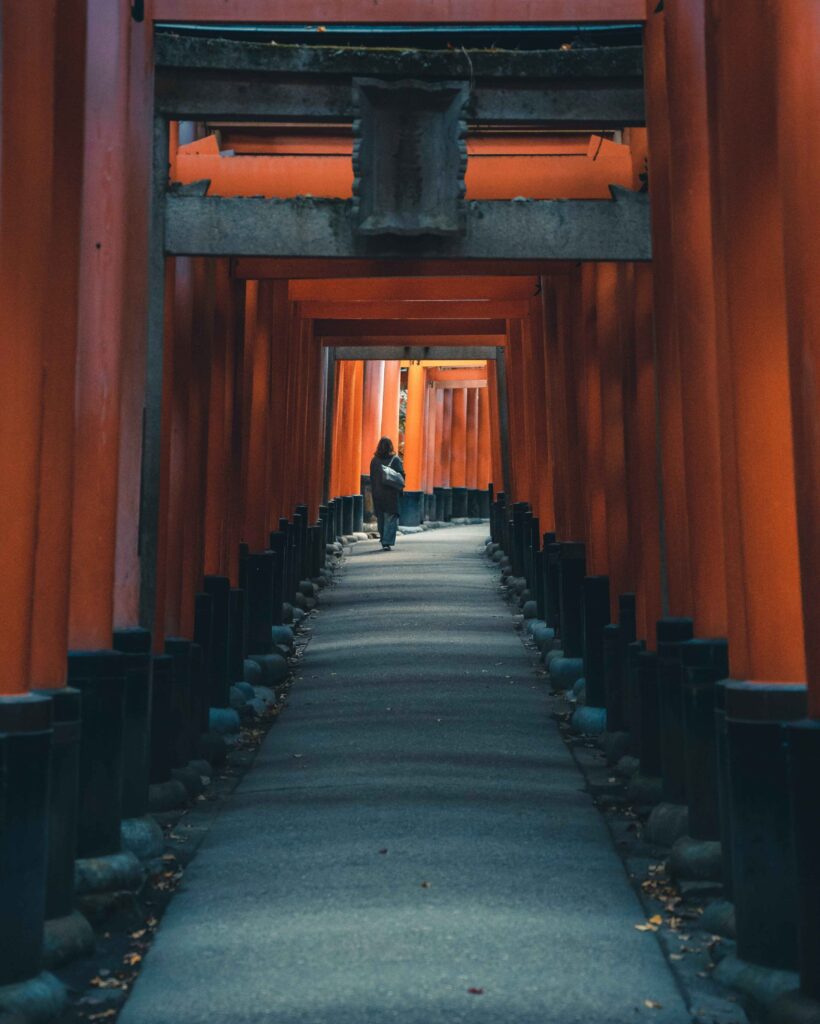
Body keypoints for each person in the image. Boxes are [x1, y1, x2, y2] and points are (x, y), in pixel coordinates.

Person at [370, 436, 404, 550]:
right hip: (391, 493)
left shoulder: (374, 460)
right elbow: (401, 476)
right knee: (390, 517)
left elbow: (372, 478)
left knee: (381, 517)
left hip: (378, 493)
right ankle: (387, 541)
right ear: (391, 446)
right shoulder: (395, 460)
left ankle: (383, 539)